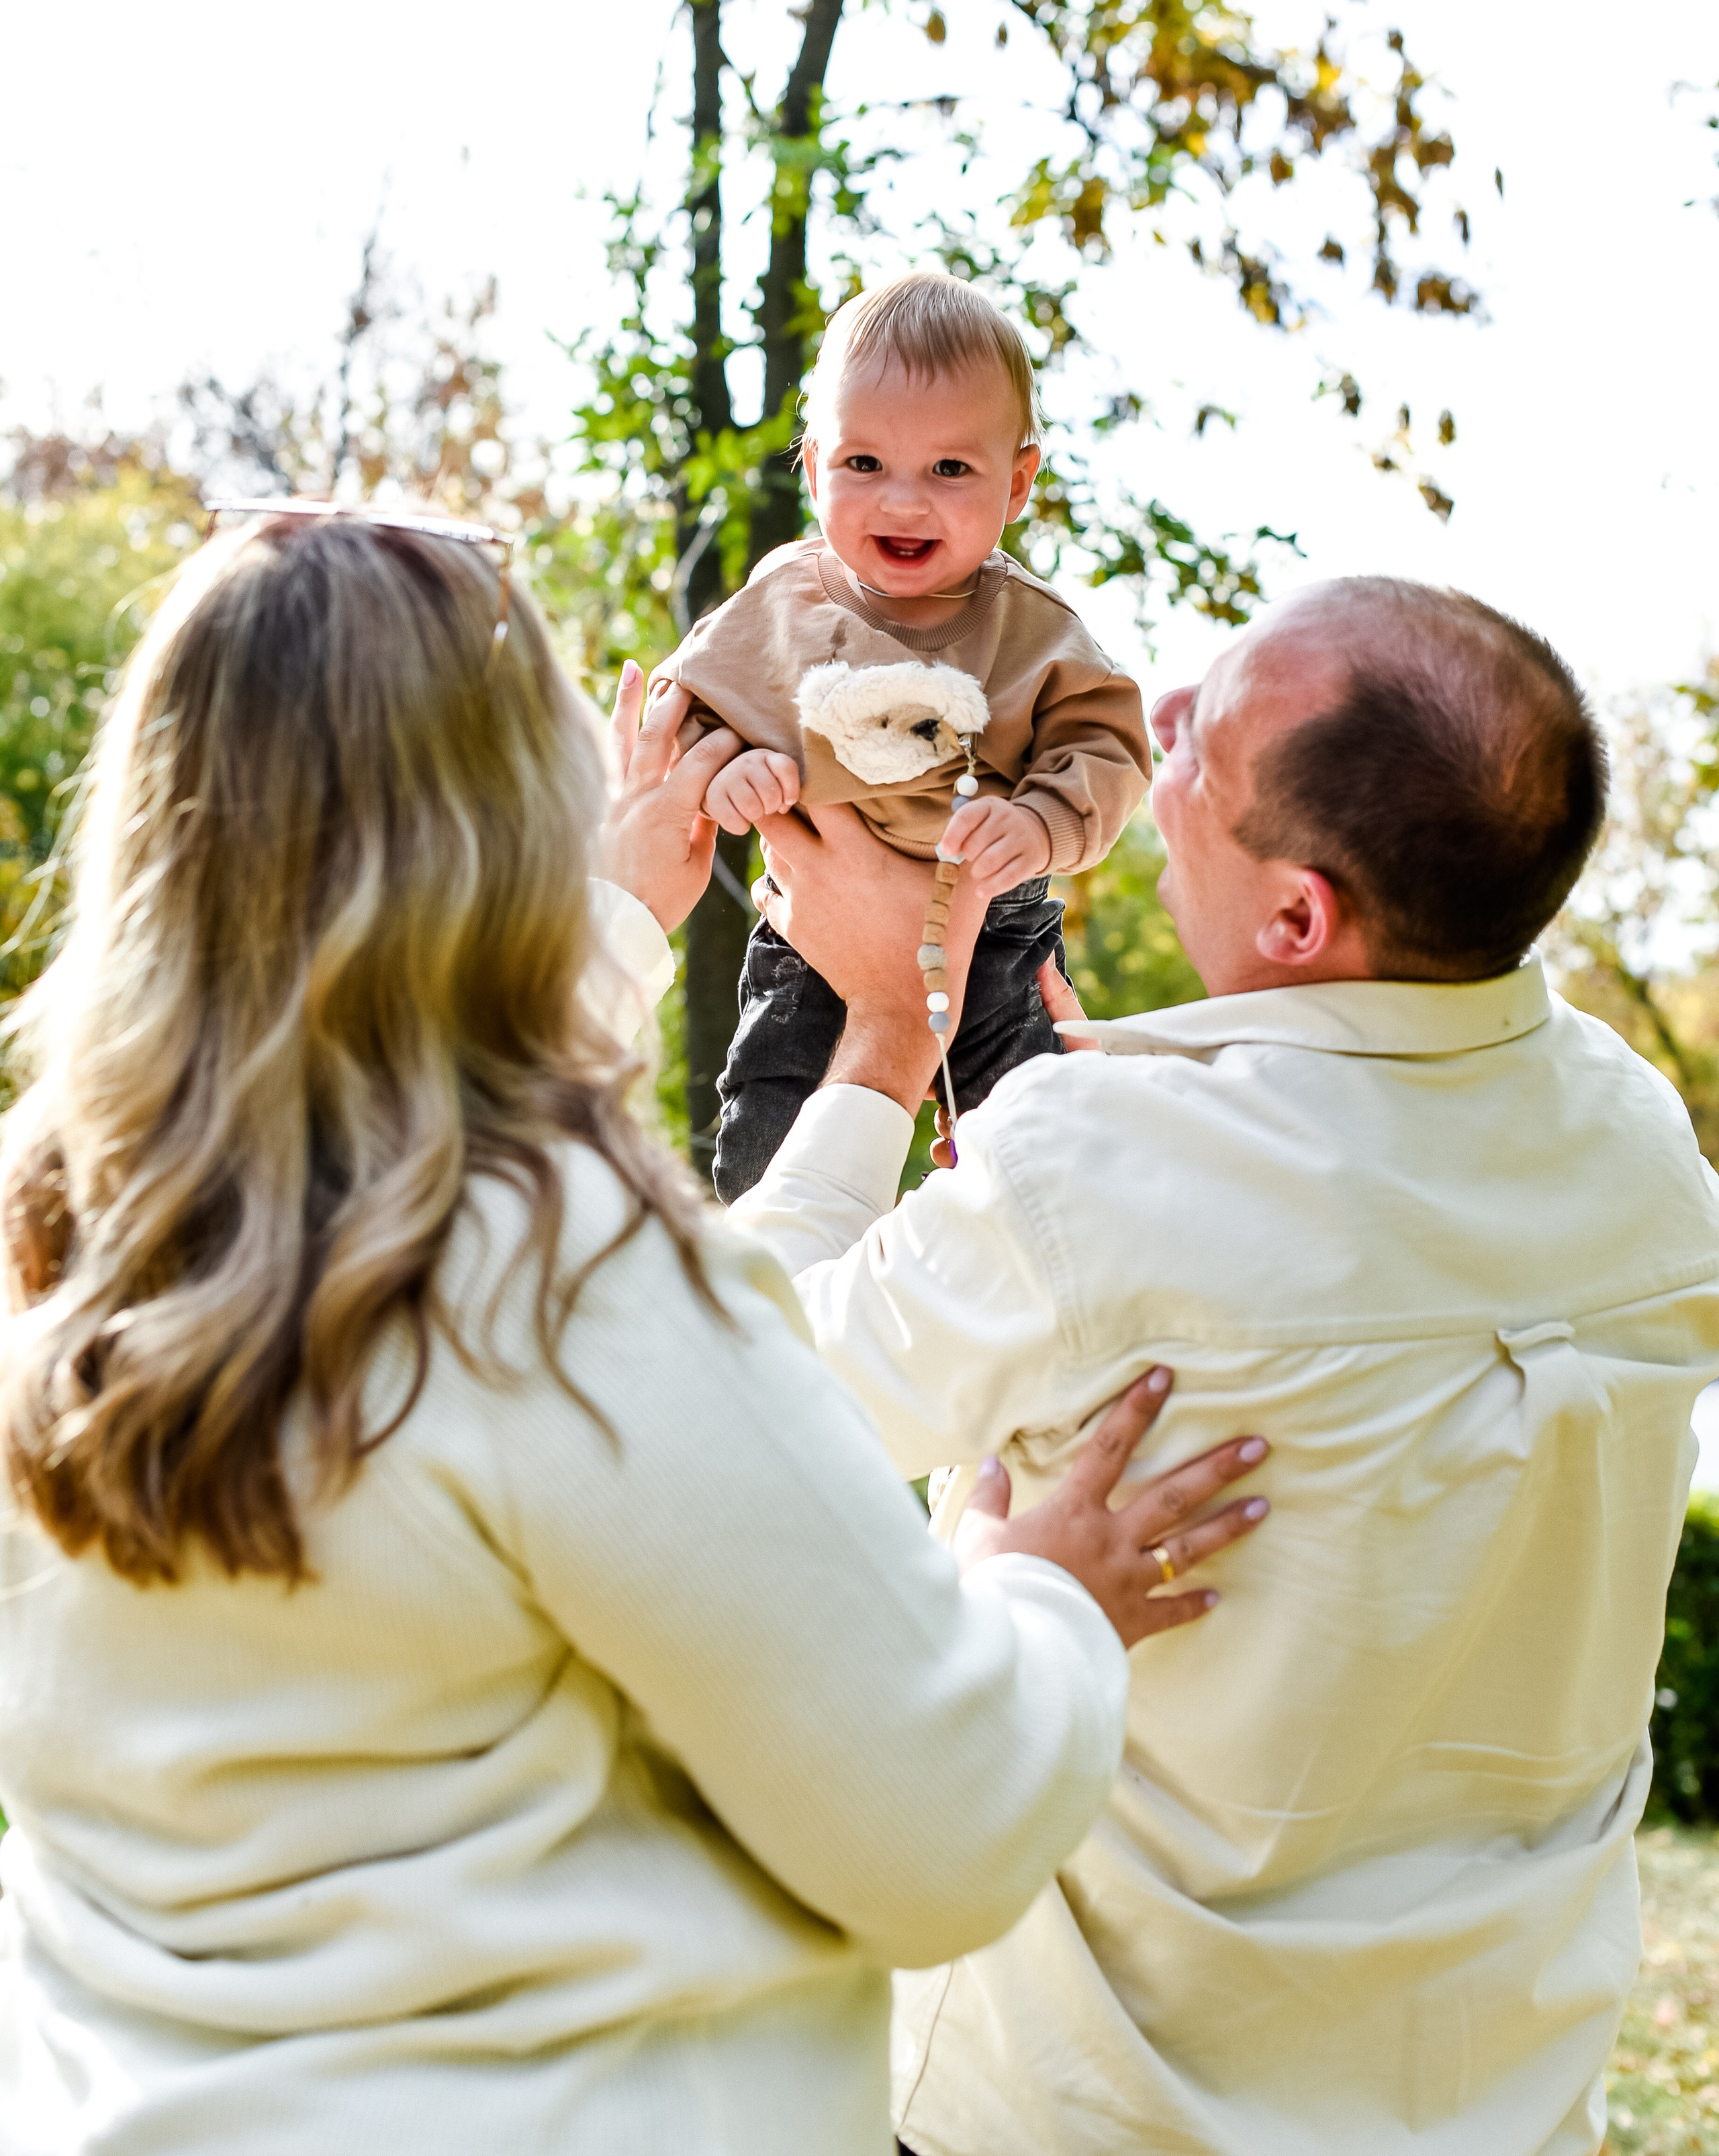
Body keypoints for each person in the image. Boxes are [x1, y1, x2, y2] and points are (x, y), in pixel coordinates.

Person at [0, 510, 1270, 2156]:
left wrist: (868, 1030)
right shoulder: (563, 1273)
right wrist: (1047, 1596)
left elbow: (455, 1220)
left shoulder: (70, 1235)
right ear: (507, 820)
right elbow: (937, 1830)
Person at [734, 575, 1719, 2156]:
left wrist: (873, 1030)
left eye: (1196, 748)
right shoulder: (1642, 1151)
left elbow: (736, 1407)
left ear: (1296, 919)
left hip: (1085, 2108)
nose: (1155, 727)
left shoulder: (1095, 1179)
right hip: (1490, 2100)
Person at [658, 273, 1150, 1201]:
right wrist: (728, 771)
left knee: (1033, 1152)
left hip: (992, 923)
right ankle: (780, 1300)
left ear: (1017, 482)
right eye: (865, 465)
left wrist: (1043, 823)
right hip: (814, 926)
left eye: (950, 471)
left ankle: (1017, 1302)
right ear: (812, 469)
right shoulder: (781, 601)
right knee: (769, 1142)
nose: (903, 503)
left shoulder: (1033, 629)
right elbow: (683, 711)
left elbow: (1109, 746)